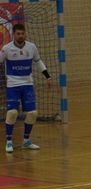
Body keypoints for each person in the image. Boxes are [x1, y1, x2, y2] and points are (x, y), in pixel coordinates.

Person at [0, 23, 51, 153]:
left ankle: (26, 141)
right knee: (12, 113)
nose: (21, 36)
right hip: (13, 85)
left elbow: (38, 61)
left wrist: (47, 76)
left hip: (28, 84)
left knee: (32, 113)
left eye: (22, 34)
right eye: (18, 34)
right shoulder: (6, 49)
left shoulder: (31, 47)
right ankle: (9, 141)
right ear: (14, 35)